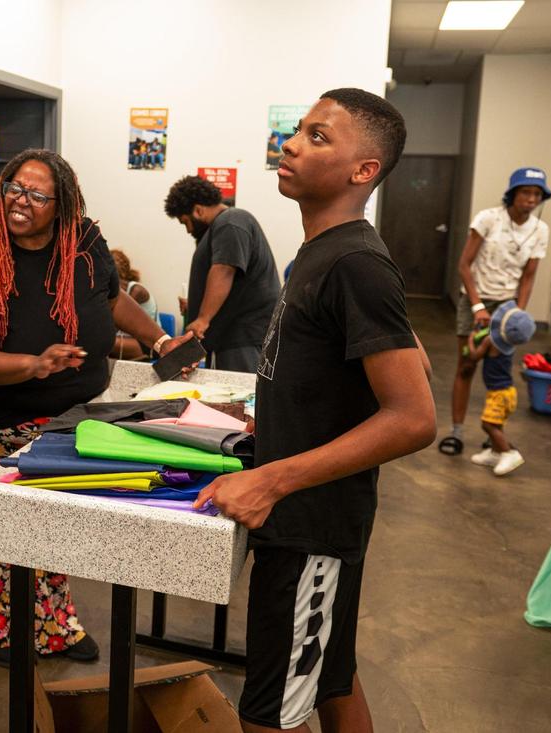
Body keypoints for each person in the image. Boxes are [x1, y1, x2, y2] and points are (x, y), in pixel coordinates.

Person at [194, 89, 435, 732]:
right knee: (331, 675)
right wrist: (276, 418)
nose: (293, 143)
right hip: (301, 519)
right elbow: (399, 358)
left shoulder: (355, 261)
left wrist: (270, 478)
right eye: (298, 130)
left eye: (319, 136)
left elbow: (414, 416)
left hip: (311, 528)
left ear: (365, 171)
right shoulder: (318, 253)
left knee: (269, 712)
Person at [0, 148, 188, 667]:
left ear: (62, 206)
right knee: (3, 527)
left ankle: (53, 626)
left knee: (56, 525)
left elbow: (113, 299)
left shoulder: (84, 243)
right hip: (3, 418)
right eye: (13, 189)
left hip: (73, 415)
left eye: (37, 195)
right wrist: (33, 364)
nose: (20, 202)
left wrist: (160, 342)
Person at [439, 166, 551, 455]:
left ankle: (494, 432)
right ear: (513, 193)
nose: (531, 198)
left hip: (507, 306)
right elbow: (464, 265)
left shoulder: (540, 230)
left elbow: (529, 276)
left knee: (498, 372)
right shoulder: (488, 218)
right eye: (526, 192)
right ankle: (456, 432)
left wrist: (518, 314)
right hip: (475, 300)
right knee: (466, 365)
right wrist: (477, 306)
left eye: (537, 194)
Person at [164, 175, 281, 372]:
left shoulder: (230, 221)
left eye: (185, 222)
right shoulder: (223, 226)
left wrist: (202, 318)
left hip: (241, 338)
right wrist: (197, 305)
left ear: (198, 210)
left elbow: (224, 269)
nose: (187, 230)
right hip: (227, 338)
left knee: (238, 399)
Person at [468, 300, 535, 476]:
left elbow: (475, 356)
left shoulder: (490, 341)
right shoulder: (509, 343)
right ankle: (495, 453)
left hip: (498, 394)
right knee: (497, 425)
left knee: (488, 425)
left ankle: (508, 453)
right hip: (509, 392)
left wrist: (470, 340)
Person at [110, 248, 160, 360]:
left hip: (148, 344)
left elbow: (115, 324)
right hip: (126, 341)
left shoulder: (137, 290)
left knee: (101, 343)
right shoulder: (112, 292)